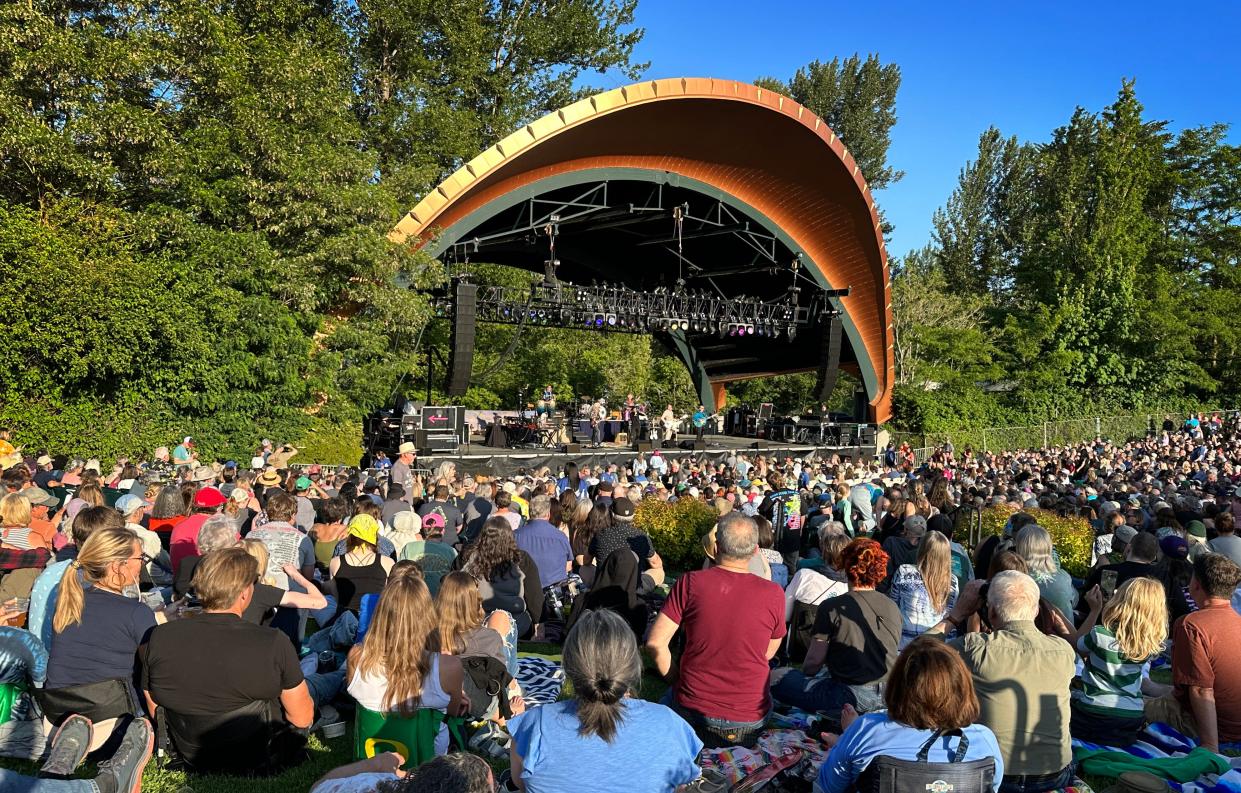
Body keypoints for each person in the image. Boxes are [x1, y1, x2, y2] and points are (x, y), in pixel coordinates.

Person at [141, 548, 326, 774]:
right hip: (258, 752)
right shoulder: (272, 642)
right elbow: (301, 717)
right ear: (245, 593)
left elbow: (155, 705)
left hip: (188, 748)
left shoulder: (160, 636)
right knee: (317, 685)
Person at [509, 610, 703, 793]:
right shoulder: (669, 723)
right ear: (634, 666)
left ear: (568, 664)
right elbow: (680, 783)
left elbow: (519, 782)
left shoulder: (535, 724)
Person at [646, 512, 784, 748]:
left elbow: (655, 643)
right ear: (754, 552)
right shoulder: (774, 593)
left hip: (692, 709)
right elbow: (768, 653)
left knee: (651, 724)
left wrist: (676, 680)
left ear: (716, 547)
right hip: (749, 717)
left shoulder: (690, 583)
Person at [930, 571, 1076, 793]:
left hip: (993, 774)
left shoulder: (975, 648)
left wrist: (956, 614)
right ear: (1036, 610)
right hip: (1053, 775)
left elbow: (917, 655)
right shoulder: (1063, 650)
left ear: (992, 611)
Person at [814, 637, 1004, 793]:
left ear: (898, 684)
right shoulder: (984, 739)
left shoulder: (867, 730)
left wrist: (847, 739)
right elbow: (992, 787)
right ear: (962, 688)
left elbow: (826, 788)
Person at [44, 528, 159, 740]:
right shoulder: (136, 612)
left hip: (56, 712)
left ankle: (74, 739)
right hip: (111, 717)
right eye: (140, 557)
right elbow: (153, 670)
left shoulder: (70, 603)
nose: (142, 563)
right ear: (118, 565)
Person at [771, 538, 901, 718]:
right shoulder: (892, 606)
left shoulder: (832, 606)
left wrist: (806, 678)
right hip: (888, 694)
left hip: (847, 695)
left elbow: (813, 662)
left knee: (777, 677)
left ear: (847, 566)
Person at [346, 568, 468, 757]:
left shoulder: (356, 657)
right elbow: (451, 713)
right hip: (426, 762)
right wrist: (456, 696)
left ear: (381, 613)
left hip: (371, 758)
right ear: (427, 615)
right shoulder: (448, 667)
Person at [1144, 553, 1241, 750]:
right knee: (1154, 693)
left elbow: (1200, 690)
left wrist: (1210, 748)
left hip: (1204, 724)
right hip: (1232, 722)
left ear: (1196, 584)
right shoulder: (1237, 622)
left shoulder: (1191, 625)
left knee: (1124, 709)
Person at [1071, 577, 1168, 746]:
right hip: (1131, 716)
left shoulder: (1099, 634)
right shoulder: (1149, 645)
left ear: (1120, 602)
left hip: (1094, 712)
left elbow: (1078, 645)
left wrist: (1094, 611)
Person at [458, 517, 543, 639]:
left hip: (481, 623)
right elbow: (534, 595)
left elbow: (455, 586)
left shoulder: (469, 557)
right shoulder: (521, 558)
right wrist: (539, 624)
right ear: (509, 536)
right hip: (511, 624)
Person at [888, 529, 958, 648]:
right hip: (941, 645)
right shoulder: (952, 581)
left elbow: (893, 605)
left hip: (907, 644)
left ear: (922, 550)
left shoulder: (904, 571)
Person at [585, 498, 664, 593]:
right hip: (633, 589)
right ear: (633, 516)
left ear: (612, 514)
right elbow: (656, 563)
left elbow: (586, 561)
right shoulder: (640, 537)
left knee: (584, 568)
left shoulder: (600, 535)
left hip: (604, 588)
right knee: (659, 571)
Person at [329, 514, 394, 618]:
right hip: (375, 622)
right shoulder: (388, 563)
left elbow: (335, 598)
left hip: (344, 623)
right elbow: (389, 596)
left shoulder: (335, 562)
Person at [1014, 524, 1077, 624]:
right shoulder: (1063, 576)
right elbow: (1074, 601)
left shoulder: (1019, 581)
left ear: (1020, 549)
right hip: (1066, 635)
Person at [514, 495, 572, 590]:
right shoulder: (561, 537)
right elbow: (568, 566)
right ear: (548, 515)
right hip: (553, 591)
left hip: (525, 590)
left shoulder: (515, 535)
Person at [169, 486, 226, 576]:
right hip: (209, 580)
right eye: (222, 506)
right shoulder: (220, 527)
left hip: (180, 580)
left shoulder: (179, 526)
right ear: (218, 508)